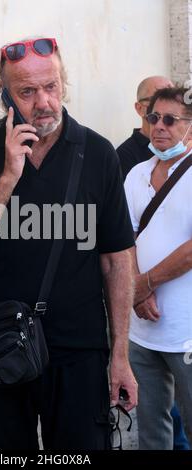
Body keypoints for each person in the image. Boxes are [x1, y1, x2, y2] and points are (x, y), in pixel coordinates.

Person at [0, 37, 137, 450]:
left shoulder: (99, 153)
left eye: (51, 86)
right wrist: (9, 175)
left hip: (78, 351)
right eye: (27, 92)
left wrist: (120, 354)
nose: (43, 101)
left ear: (63, 83)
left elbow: (117, 261)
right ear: (5, 95)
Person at [117, 77, 190, 450]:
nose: (159, 126)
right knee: (151, 431)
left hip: (186, 331)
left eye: (171, 120)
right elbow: (123, 239)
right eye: (154, 117)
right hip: (142, 330)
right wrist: (137, 292)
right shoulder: (135, 174)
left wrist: (142, 285)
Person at [117, 76, 173, 180]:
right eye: (157, 100)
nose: (167, 107)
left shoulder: (182, 146)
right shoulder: (125, 155)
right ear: (140, 108)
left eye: (172, 100)